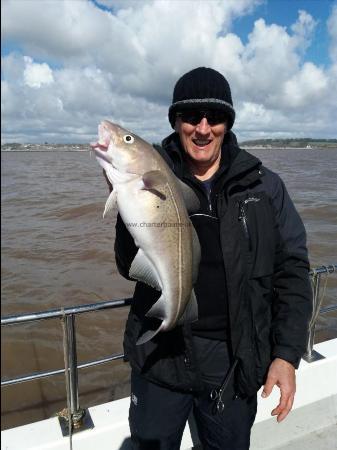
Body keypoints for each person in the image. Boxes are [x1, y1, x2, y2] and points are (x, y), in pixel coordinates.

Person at [110, 67, 312, 449]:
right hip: (161, 353)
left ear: (227, 123)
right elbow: (127, 265)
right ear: (175, 120)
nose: (203, 129)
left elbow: (293, 273)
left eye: (215, 117)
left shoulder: (265, 187)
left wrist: (286, 354)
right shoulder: (149, 175)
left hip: (234, 361)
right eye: (191, 117)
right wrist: (125, 205)